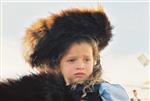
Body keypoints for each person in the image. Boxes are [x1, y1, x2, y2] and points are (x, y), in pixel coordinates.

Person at [0, 7, 130, 101]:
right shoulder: (39, 92)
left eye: (86, 59)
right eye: (72, 60)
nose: (81, 65)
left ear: (95, 60)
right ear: (57, 64)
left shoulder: (105, 92)